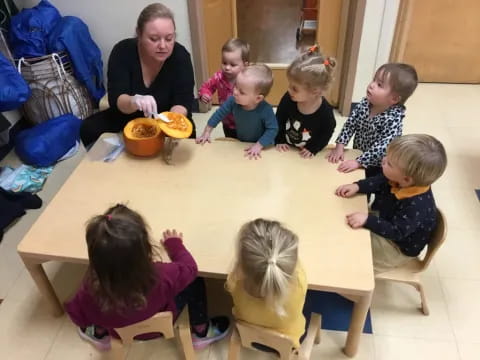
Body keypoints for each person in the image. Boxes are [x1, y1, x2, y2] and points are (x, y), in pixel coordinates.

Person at [64, 204, 230, 351]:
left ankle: (99, 334)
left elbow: (78, 317)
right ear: (146, 248)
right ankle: (201, 331)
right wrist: (175, 245)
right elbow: (191, 269)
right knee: (196, 281)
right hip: (161, 324)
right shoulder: (163, 275)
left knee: (97, 307)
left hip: (117, 331)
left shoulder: (88, 290)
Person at [80, 3, 196, 147]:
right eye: (154, 39)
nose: (163, 46)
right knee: (89, 129)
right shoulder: (122, 51)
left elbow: (183, 101)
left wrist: (171, 123)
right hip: (128, 116)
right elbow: (117, 99)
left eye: (169, 38)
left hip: (167, 118)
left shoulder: (180, 56)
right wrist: (133, 101)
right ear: (139, 34)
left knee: (187, 139)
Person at [335, 134, 447, 273]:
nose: (383, 160)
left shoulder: (416, 206)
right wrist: (358, 186)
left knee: (356, 257)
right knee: (343, 228)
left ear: (406, 180)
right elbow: (379, 181)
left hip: (396, 247)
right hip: (384, 220)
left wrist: (368, 220)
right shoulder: (398, 178)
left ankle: (351, 287)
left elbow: (396, 231)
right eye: (387, 156)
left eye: (390, 163)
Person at [226, 219, 307, 348]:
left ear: (241, 266)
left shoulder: (234, 281)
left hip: (248, 336)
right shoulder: (299, 284)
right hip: (288, 341)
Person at [327, 63, 418, 176]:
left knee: (367, 185)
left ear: (394, 98)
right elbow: (350, 124)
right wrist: (340, 146)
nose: (371, 85)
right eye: (374, 80)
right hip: (358, 152)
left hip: (377, 165)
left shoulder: (392, 120)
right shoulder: (365, 103)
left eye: (379, 85)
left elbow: (382, 148)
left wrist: (359, 162)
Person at [196, 64, 278, 160]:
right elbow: (219, 114)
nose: (235, 92)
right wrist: (207, 131)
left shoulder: (265, 110)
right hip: (242, 143)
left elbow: (273, 129)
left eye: (241, 92)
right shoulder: (233, 100)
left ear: (258, 98)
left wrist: (259, 145)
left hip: (263, 147)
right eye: (236, 86)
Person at [275, 45, 337, 158]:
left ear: (314, 91)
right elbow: (279, 119)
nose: (289, 90)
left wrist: (314, 148)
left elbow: (327, 132)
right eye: (289, 85)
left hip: (305, 157)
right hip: (285, 151)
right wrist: (280, 139)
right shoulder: (288, 99)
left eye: (294, 88)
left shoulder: (325, 112)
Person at [198, 38, 250, 138]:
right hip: (227, 121)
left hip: (246, 121)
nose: (227, 67)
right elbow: (206, 87)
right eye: (224, 63)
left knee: (245, 145)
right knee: (230, 143)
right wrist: (205, 94)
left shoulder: (249, 80)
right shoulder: (218, 77)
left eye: (233, 65)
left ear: (245, 65)